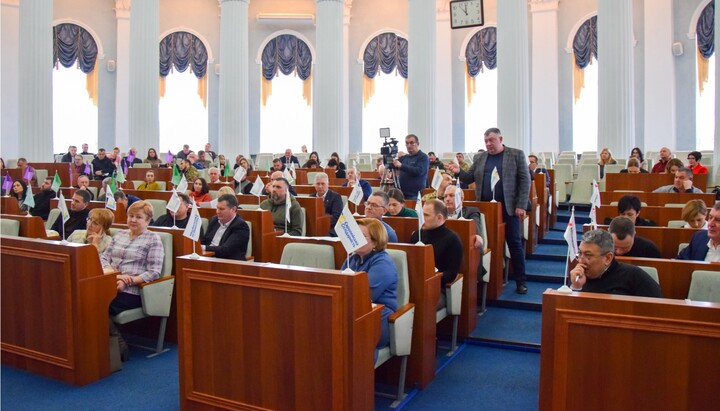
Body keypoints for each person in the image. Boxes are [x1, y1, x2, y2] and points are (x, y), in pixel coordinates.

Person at [446, 127, 531, 294]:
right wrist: (458, 172)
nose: (488, 144)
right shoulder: (480, 157)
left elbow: (525, 180)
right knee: (486, 243)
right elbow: (469, 177)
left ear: (500, 139)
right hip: (485, 208)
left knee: (514, 242)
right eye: (486, 141)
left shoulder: (516, 154)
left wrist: (521, 205)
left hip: (509, 207)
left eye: (491, 140)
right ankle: (491, 280)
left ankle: (520, 280)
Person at [101, 201, 165, 361]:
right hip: (110, 282)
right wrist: (115, 276)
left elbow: (154, 272)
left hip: (134, 291)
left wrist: (127, 281)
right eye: (130, 216)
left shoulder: (153, 239)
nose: (133, 220)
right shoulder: (119, 235)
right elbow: (102, 258)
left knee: (97, 303)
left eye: (138, 217)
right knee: (85, 299)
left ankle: (117, 346)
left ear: (148, 220)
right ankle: (114, 341)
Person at [340, 218, 397, 350]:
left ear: (375, 242)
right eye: (355, 234)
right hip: (353, 310)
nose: (355, 239)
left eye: (362, 236)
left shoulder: (383, 263)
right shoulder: (352, 258)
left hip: (378, 315)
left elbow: (364, 296)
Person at [570, 229, 663, 297]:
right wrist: (576, 287)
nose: (581, 261)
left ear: (608, 258)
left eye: (588, 255)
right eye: (580, 253)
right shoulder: (578, 276)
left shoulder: (634, 276)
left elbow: (657, 307)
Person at [410, 200, 464, 306]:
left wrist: (430, 278)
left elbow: (451, 273)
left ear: (439, 218)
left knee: (421, 304)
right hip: (414, 285)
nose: (421, 219)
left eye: (425, 215)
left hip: (438, 289)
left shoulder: (452, 239)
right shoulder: (417, 235)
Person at [201, 194, 250, 260]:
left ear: (233, 209)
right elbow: (205, 241)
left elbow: (226, 250)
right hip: (208, 258)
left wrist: (203, 248)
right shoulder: (214, 220)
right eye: (217, 208)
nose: (217, 212)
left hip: (229, 264)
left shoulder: (241, 226)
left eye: (221, 209)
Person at [444, 185, 484, 250]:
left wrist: (477, 236)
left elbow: (475, 228)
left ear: (461, 199)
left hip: (464, 247)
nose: (447, 199)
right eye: (445, 196)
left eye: (451, 195)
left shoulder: (471, 211)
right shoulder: (440, 214)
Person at [393, 134, 430, 199]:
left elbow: (418, 171)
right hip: (402, 194)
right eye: (407, 143)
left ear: (418, 143)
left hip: (415, 195)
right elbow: (393, 165)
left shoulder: (423, 157)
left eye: (411, 143)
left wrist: (401, 166)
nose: (409, 145)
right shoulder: (405, 157)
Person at [310, 172, 343, 236]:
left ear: (328, 184)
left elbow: (336, 216)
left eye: (323, 184)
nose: (320, 186)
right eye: (318, 184)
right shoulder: (311, 197)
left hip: (330, 228)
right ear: (314, 185)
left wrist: (321, 225)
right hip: (313, 227)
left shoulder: (335, 197)